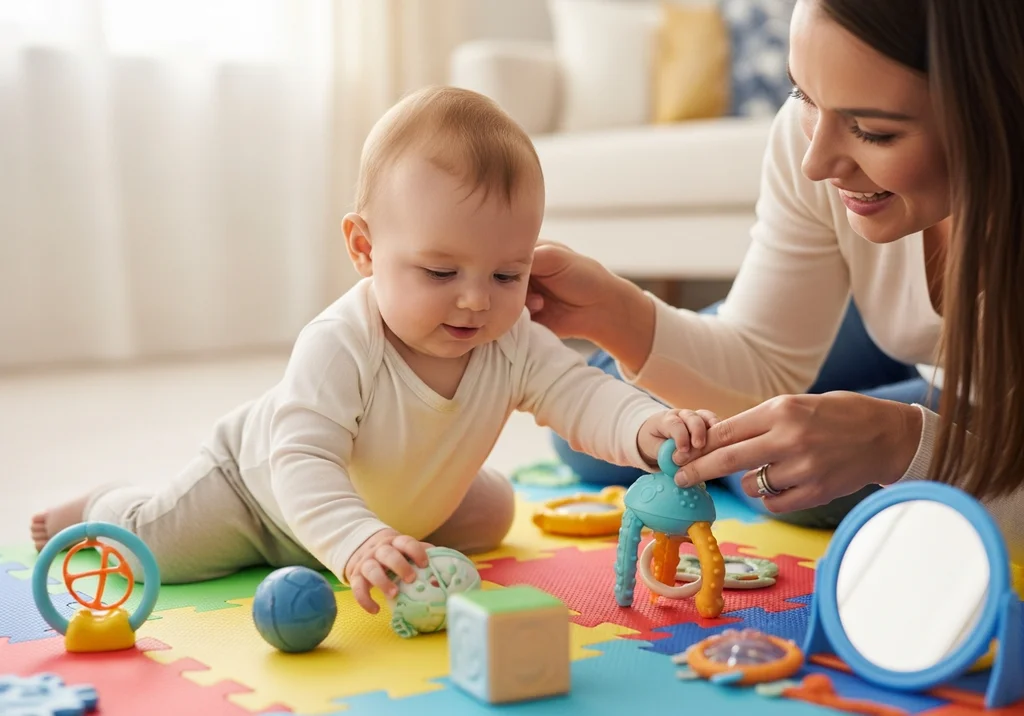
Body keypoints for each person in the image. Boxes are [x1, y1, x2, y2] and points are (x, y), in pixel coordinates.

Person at [30, 86, 715, 614]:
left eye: (508, 274)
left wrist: (641, 425)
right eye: (441, 273)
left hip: (395, 505)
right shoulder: (340, 344)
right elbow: (299, 460)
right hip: (260, 492)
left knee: (493, 512)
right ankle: (102, 502)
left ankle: (382, 535)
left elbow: (581, 392)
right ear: (365, 248)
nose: (477, 300)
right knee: (155, 545)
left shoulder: (512, 341)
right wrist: (356, 542)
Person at [527, 0, 1024, 563]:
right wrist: (613, 313)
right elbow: (764, 361)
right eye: (803, 95)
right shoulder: (812, 143)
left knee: (777, 480)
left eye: (873, 132)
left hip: (986, 387)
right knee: (601, 433)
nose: (815, 163)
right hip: (885, 327)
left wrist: (900, 442)